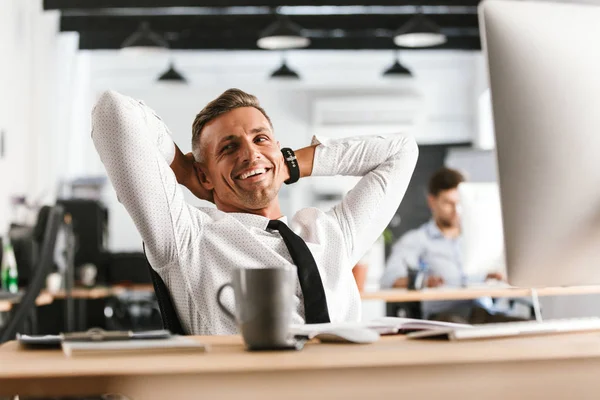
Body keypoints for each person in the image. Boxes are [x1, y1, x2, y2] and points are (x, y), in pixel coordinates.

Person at [91, 88, 418, 334]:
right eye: (229, 147)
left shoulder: (332, 233)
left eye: (260, 138)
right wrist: (188, 173)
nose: (249, 153)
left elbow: (401, 152)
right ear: (205, 175)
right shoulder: (187, 237)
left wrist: (287, 163)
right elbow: (113, 112)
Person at [380, 167, 522, 324]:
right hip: (444, 315)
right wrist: (424, 281)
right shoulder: (416, 240)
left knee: (526, 326)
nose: (456, 211)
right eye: (448, 203)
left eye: (460, 203)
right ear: (432, 202)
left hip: (481, 311)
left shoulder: (480, 239)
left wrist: (492, 275)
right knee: (458, 328)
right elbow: (388, 279)